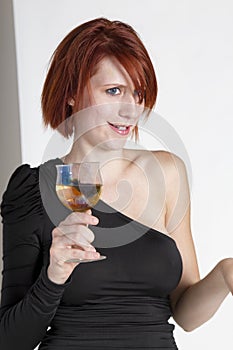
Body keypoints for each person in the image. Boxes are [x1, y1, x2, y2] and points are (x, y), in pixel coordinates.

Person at [0, 17, 232, 350]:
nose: (130, 110)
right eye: (113, 91)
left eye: (137, 94)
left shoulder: (166, 174)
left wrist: (226, 274)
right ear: (70, 94)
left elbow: (185, 314)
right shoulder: (34, 190)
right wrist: (54, 276)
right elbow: (10, 340)